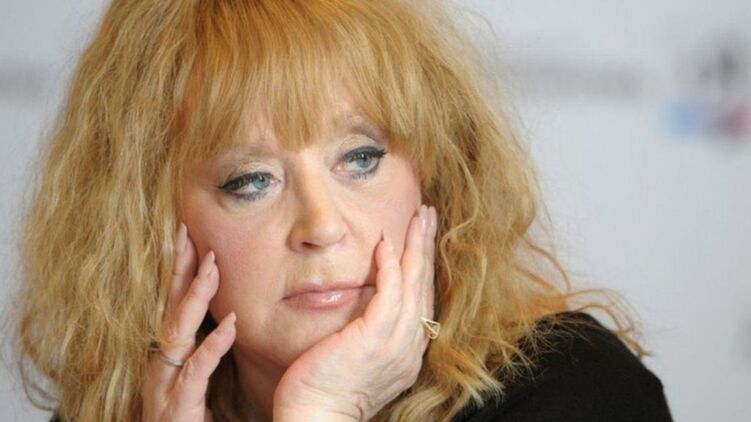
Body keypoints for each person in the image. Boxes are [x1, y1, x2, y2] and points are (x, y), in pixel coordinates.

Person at [15, 0, 673, 421]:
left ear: (434, 173)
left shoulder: (574, 390)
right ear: (149, 221)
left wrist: (326, 409)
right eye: (251, 180)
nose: (323, 227)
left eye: (359, 158)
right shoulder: (113, 412)